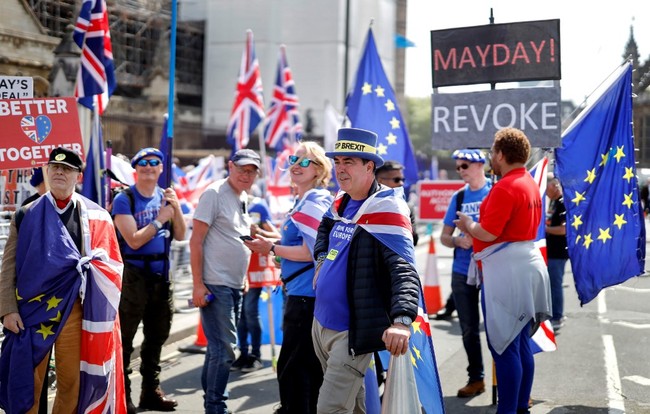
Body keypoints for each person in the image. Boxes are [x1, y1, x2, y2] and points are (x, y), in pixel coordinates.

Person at [0, 148, 124, 413]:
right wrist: (7, 309)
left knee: (71, 384)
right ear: (46, 170)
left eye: (66, 169)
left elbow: (110, 265)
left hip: (74, 311)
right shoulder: (26, 213)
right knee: (28, 384)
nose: (59, 172)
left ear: (77, 176)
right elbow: (8, 265)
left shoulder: (96, 216)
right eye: (54, 167)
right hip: (31, 312)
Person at [311, 128, 420, 413]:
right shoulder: (341, 202)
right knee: (354, 404)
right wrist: (321, 259)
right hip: (321, 324)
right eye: (337, 162)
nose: (340, 169)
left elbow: (404, 270)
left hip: (351, 332)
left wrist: (401, 321)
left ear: (369, 166)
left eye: (349, 161)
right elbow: (324, 227)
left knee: (330, 408)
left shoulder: (388, 209)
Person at [454, 127, 551, 414]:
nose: (490, 158)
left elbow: (486, 231)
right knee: (519, 343)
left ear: (500, 153)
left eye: (492, 153)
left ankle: (508, 410)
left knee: (505, 345)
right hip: (524, 264)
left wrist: (467, 225)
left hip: (507, 271)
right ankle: (519, 406)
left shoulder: (506, 186)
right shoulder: (528, 181)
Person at [244, 141, 333, 414]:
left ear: (319, 170)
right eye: (294, 159)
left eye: (304, 161)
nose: (295, 165)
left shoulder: (313, 202)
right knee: (302, 366)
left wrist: (270, 248)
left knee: (295, 368)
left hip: (306, 297)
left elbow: (312, 252)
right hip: (302, 293)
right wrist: (275, 243)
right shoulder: (306, 200)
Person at [113, 147, 187, 413]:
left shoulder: (165, 197)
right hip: (134, 276)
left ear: (161, 168)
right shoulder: (125, 199)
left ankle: (150, 391)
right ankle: (124, 395)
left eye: (154, 162)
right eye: (143, 163)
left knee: (157, 336)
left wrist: (175, 209)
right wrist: (159, 219)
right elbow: (132, 240)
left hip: (161, 276)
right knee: (126, 338)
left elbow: (180, 235)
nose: (149, 167)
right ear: (136, 168)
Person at [189, 149, 261, 414]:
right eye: (242, 168)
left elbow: (236, 238)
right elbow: (195, 241)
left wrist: (241, 278)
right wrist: (198, 284)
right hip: (215, 284)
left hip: (233, 284)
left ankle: (212, 401)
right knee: (225, 349)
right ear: (230, 166)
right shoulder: (214, 193)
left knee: (218, 349)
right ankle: (216, 407)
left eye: (252, 170)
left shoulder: (242, 196)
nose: (246, 174)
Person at [440, 148, 492, 398]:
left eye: (465, 166)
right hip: (462, 271)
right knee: (469, 328)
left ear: (481, 164)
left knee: (497, 328)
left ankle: (503, 379)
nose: (461, 171)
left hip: (492, 269)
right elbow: (444, 237)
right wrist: (458, 242)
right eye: (458, 167)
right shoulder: (458, 197)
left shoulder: (495, 191)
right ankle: (476, 378)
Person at [231, 195, 280, 373]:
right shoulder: (228, 201)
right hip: (237, 268)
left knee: (250, 311)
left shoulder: (258, 205)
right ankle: (243, 353)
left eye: (250, 172)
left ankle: (256, 355)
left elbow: (277, 236)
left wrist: (257, 232)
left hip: (255, 270)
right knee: (240, 315)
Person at [374, 160, 419, 246]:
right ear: (380, 180)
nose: (401, 183)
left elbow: (414, 241)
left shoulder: (407, 207)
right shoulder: (366, 205)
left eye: (403, 179)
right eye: (396, 180)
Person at [545, 173, 568, 332]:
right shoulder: (553, 202)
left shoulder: (561, 203)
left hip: (558, 252)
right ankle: (553, 314)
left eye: (546, 188)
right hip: (551, 251)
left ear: (553, 186)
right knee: (551, 285)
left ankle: (558, 316)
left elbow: (564, 229)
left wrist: (544, 230)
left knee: (555, 285)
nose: (545, 191)